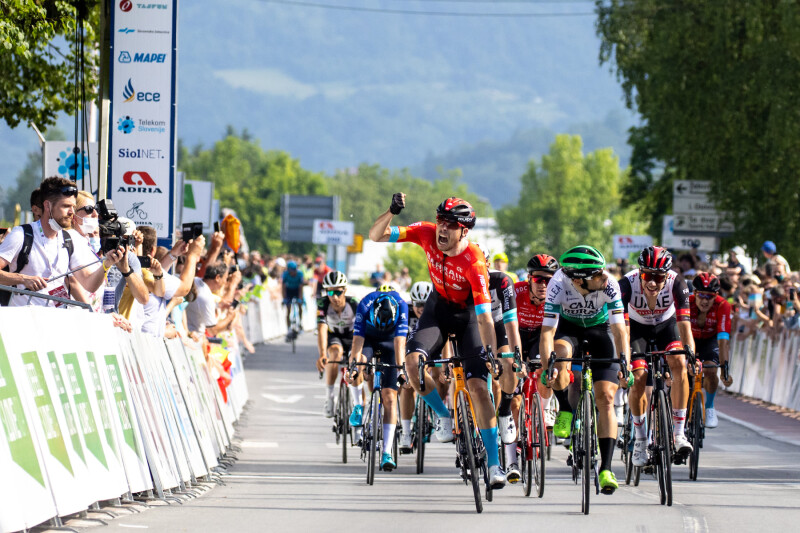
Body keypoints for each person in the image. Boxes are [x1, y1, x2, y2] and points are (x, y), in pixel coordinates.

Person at [368, 193, 506, 489]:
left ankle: (495, 465)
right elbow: (375, 235)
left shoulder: (475, 263)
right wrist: (392, 211)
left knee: (479, 388)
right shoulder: (426, 233)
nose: (442, 229)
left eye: (451, 224)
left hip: (468, 316)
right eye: (441, 220)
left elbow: (484, 319)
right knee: (412, 366)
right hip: (438, 308)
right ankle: (443, 415)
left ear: (464, 231)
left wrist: (492, 355)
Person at [540, 245, 628, 494]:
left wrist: (625, 364)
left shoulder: (609, 284)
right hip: (569, 330)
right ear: (578, 280)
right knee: (560, 359)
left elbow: (620, 330)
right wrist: (549, 367)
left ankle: (607, 468)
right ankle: (565, 409)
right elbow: (547, 332)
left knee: (606, 398)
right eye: (596, 275)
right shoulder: (557, 284)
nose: (604, 277)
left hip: (602, 331)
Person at [619, 246, 694, 467]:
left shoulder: (677, 283)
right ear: (639, 272)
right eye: (647, 276)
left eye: (658, 277)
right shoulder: (626, 284)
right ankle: (641, 440)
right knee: (639, 376)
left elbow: (685, 326)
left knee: (679, 362)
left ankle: (679, 433)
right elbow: (622, 329)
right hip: (636, 329)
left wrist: (691, 356)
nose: (652, 282)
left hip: (666, 326)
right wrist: (624, 361)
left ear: (667, 275)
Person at [0, 177, 124, 307]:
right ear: (47, 205)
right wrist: (23, 279)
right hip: (26, 322)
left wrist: (107, 263)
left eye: (73, 207)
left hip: (58, 321)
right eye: (66, 206)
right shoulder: (21, 234)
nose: (71, 212)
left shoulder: (69, 238)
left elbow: (90, 284)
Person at [504, 253, 559, 482]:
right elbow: (504, 323)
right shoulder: (515, 292)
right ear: (529, 279)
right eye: (539, 280)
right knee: (514, 397)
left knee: (545, 371)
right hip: (516, 334)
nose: (543, 285)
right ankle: (512, 455)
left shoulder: (557, 295)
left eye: (549, 280)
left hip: (540, 336)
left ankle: (543, 407)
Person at [346, 288, 408, 471]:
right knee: (359, 363)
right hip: (369, 339)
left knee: (390, 398)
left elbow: (399, 344)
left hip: (391, 341)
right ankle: (359, 405)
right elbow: (357, 342)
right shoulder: (365, 304)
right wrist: (355, 367)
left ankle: (387, 452)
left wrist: (402, 371)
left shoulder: (402, 306)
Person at [689, 273, 734, 429]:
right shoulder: (686, 303)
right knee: (684, 370)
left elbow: (723, 341)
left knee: (711, 369)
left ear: (716, 296)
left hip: (710, 340)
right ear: (694, 293)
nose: (705, 300)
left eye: (710, 296)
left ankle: (709, 407)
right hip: (690, 338)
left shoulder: (723, 306)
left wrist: (724, 370)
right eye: (701, 295)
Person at [316, 271, 360, 418]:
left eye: (338, 292)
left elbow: (362, 331)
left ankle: (359, 404)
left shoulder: (353, 303)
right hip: (334, 335)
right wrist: (322, 354)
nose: (334, 296)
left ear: (345, 290)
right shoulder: (323, 303)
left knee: (355, 362)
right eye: (329, 291)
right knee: (335, 353)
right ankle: (329, 397)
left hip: (351, 336)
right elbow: (322, 329)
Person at [281, 260, 305, 339]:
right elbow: (283, 287)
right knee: (288, 310)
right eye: (291, 271)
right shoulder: (285, 274)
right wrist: (284, 298)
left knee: (300, 306)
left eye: (294, 271)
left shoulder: (300, 274)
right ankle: (288, 328)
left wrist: (300, 299)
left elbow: (301, 287)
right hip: (289, 290)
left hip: (297, 290)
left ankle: (300, 323)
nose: (292, 273)